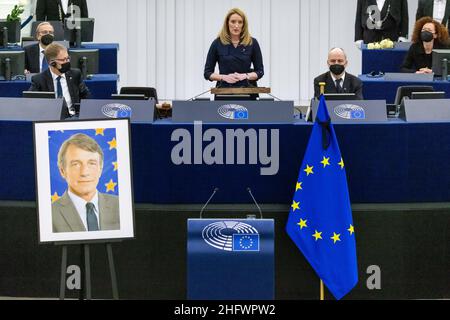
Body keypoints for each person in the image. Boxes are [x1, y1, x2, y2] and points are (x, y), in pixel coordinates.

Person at [52, 133, 120, 233]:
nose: (84, 172)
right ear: (62, 171)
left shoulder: (120, 206)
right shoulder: (50, 214)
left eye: (91, 163)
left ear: (100, 170)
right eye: (76, 164)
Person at [203, 8, 264, 97]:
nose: (236, 25)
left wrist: (245, 76)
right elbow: (207, 73)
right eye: (233, 22)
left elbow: (260, 71)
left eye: (240, 22)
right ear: (227, 23)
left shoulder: (252, 43)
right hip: (223, 93)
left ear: (244, 25)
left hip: (248, 92)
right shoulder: (217, 43)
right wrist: (224, 77)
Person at [29, 42, 91, 119]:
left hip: (74, 117)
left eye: (67, 58)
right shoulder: (39, 79)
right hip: (51, 118)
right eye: (63, 60)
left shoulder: (75, 74)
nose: (67, 62)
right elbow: (31, 103)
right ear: (52, 63)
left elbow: (86, 97)